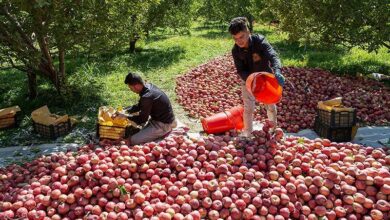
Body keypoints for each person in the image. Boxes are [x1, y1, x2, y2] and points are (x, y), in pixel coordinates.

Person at [228, 17, 285, 137]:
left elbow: (273, 55)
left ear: (248, 32)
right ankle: (248, 134)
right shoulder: (236, 51)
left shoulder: (259, 41)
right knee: (248, 108)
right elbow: (240, 70)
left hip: (265, 78)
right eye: (235, 38)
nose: (239, 41)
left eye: (241, 36)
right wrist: (251, 80)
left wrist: (277, 70)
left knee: (270, 104)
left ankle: (273, 130)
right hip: (248, 81)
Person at [122, 72, 176, 145]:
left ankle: (164, 132)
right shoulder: (149, 87)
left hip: (163, 125)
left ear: (137, 86)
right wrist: (125, 110)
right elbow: (140, 106)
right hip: (160, 119)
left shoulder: (147, 97)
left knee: (134, 140)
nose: (131, 90)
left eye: (131, 88)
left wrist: (125, 117)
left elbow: (142, 119)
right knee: (137, 130)